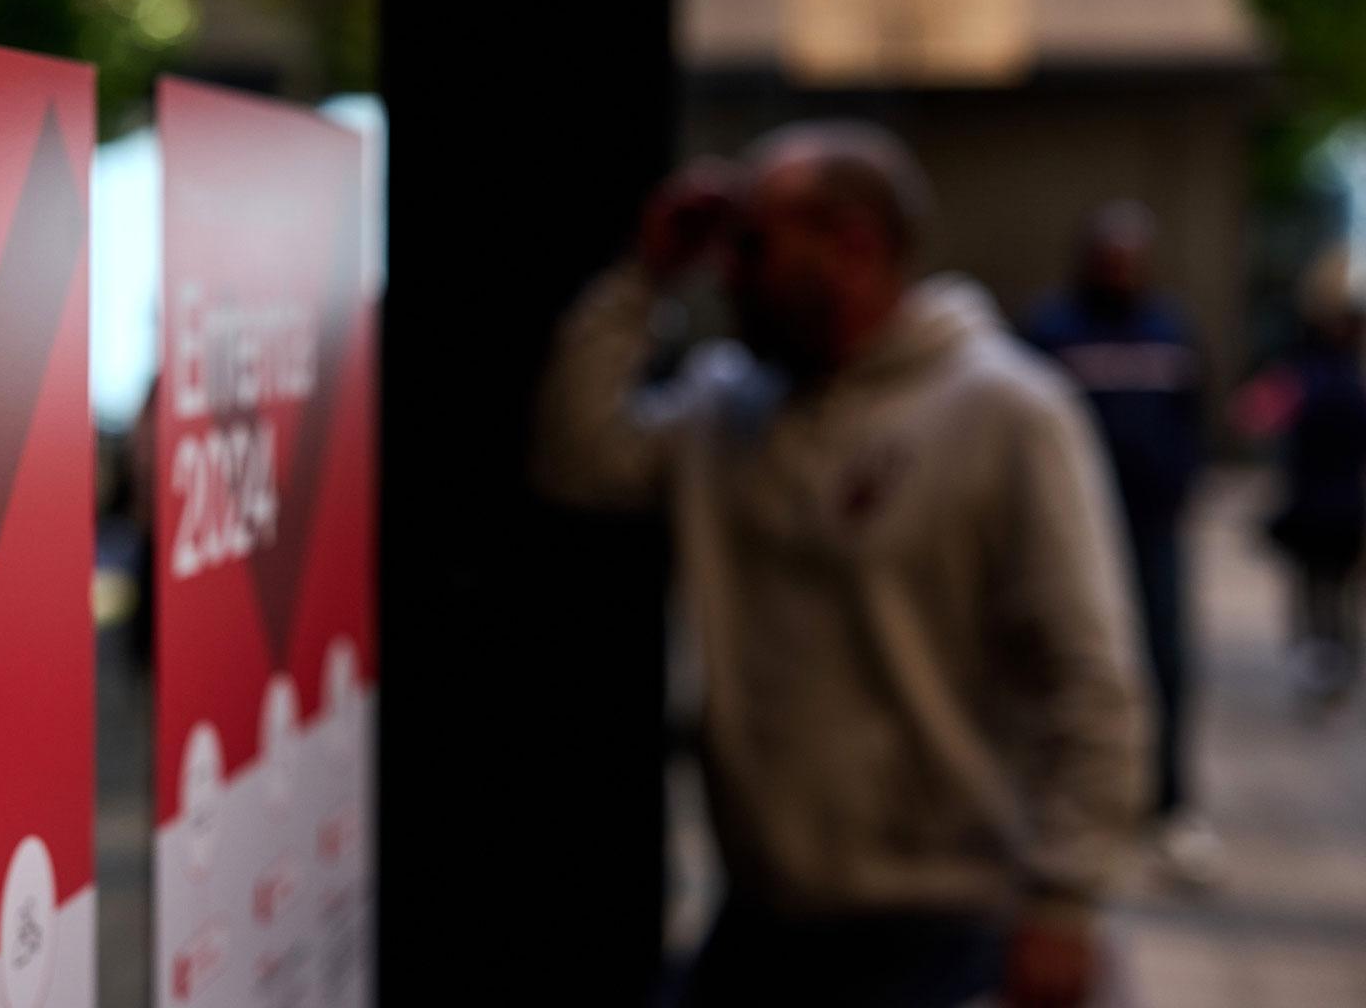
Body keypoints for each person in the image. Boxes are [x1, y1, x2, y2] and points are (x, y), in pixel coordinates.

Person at [536, 122, 1147, 1008]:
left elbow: (1092, 676)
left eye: (752, 246)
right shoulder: (722, 411)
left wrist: (1066, 899)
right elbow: (577, 456)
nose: (728, 274)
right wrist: (644, 278)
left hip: (948, 929)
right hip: (761, 922)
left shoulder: (1008, 411)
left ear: (854, 244)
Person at [1023, 203, 1215, 888]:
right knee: (1073, 662)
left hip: (1154, 528)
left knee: (1164, 661)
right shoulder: (1051, 329)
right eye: (1108, 257)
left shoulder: (1169, 329)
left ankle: (1166, 806)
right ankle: (1061, 805)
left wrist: (1183, 486)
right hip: (1073, 531)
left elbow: (1195, 415)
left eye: (1131, 258)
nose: (1119, 269)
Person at [1256, 245, 1366, 705]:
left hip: (1345, 503)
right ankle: (1319, 673)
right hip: (1312, 500)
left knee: (1336, 597)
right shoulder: (1303, 369)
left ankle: (1333, 674)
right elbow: (1256, 415)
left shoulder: (1344, 373)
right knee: (1313, 594)